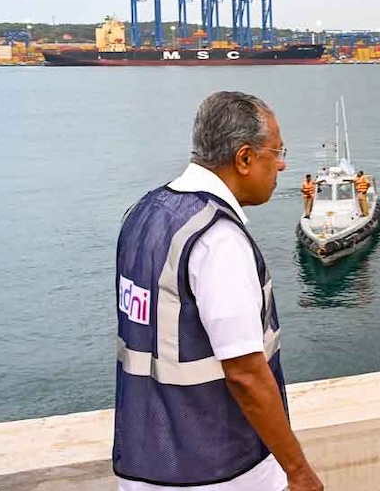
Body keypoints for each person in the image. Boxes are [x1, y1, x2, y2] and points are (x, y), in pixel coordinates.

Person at [114, 91, 323, 491]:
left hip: (147, 466)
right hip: (220, 471)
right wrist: (299, 472)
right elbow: (246, 374)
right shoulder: (218, 239)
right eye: (276, 152)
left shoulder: (143, 214)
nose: (282, 164)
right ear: (244, 158)